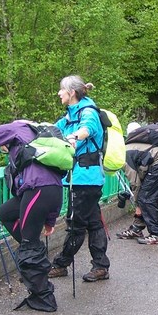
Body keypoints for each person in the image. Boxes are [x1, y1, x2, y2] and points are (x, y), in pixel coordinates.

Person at [0, 121, 63, 311]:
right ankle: (35, 260)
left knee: (29, 245)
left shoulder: (15, 128)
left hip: (37, 191)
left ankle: (44, 298)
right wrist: (50, 219)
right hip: (51, 191)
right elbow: (49, 174)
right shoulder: (38, 135)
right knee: (5, 212)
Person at [48, 76, 111, 282]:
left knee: (76, 223)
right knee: (93, 222)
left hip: (85, 178)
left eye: (61, 90)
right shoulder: (70, 115)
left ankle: (61, 264)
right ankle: (101, 266)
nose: (59, 93)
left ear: (71, 93)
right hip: (83, 177)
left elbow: (87, 129)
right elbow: (50, 130)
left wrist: (73, 137)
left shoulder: (88, 112)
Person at [117, 122, 158, 244]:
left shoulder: (123, 157)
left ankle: (156, 234)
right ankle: (137, 228)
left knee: (146, 198)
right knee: (146, 196)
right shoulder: (126, 150)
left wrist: (138, 202)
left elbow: (135, 183)